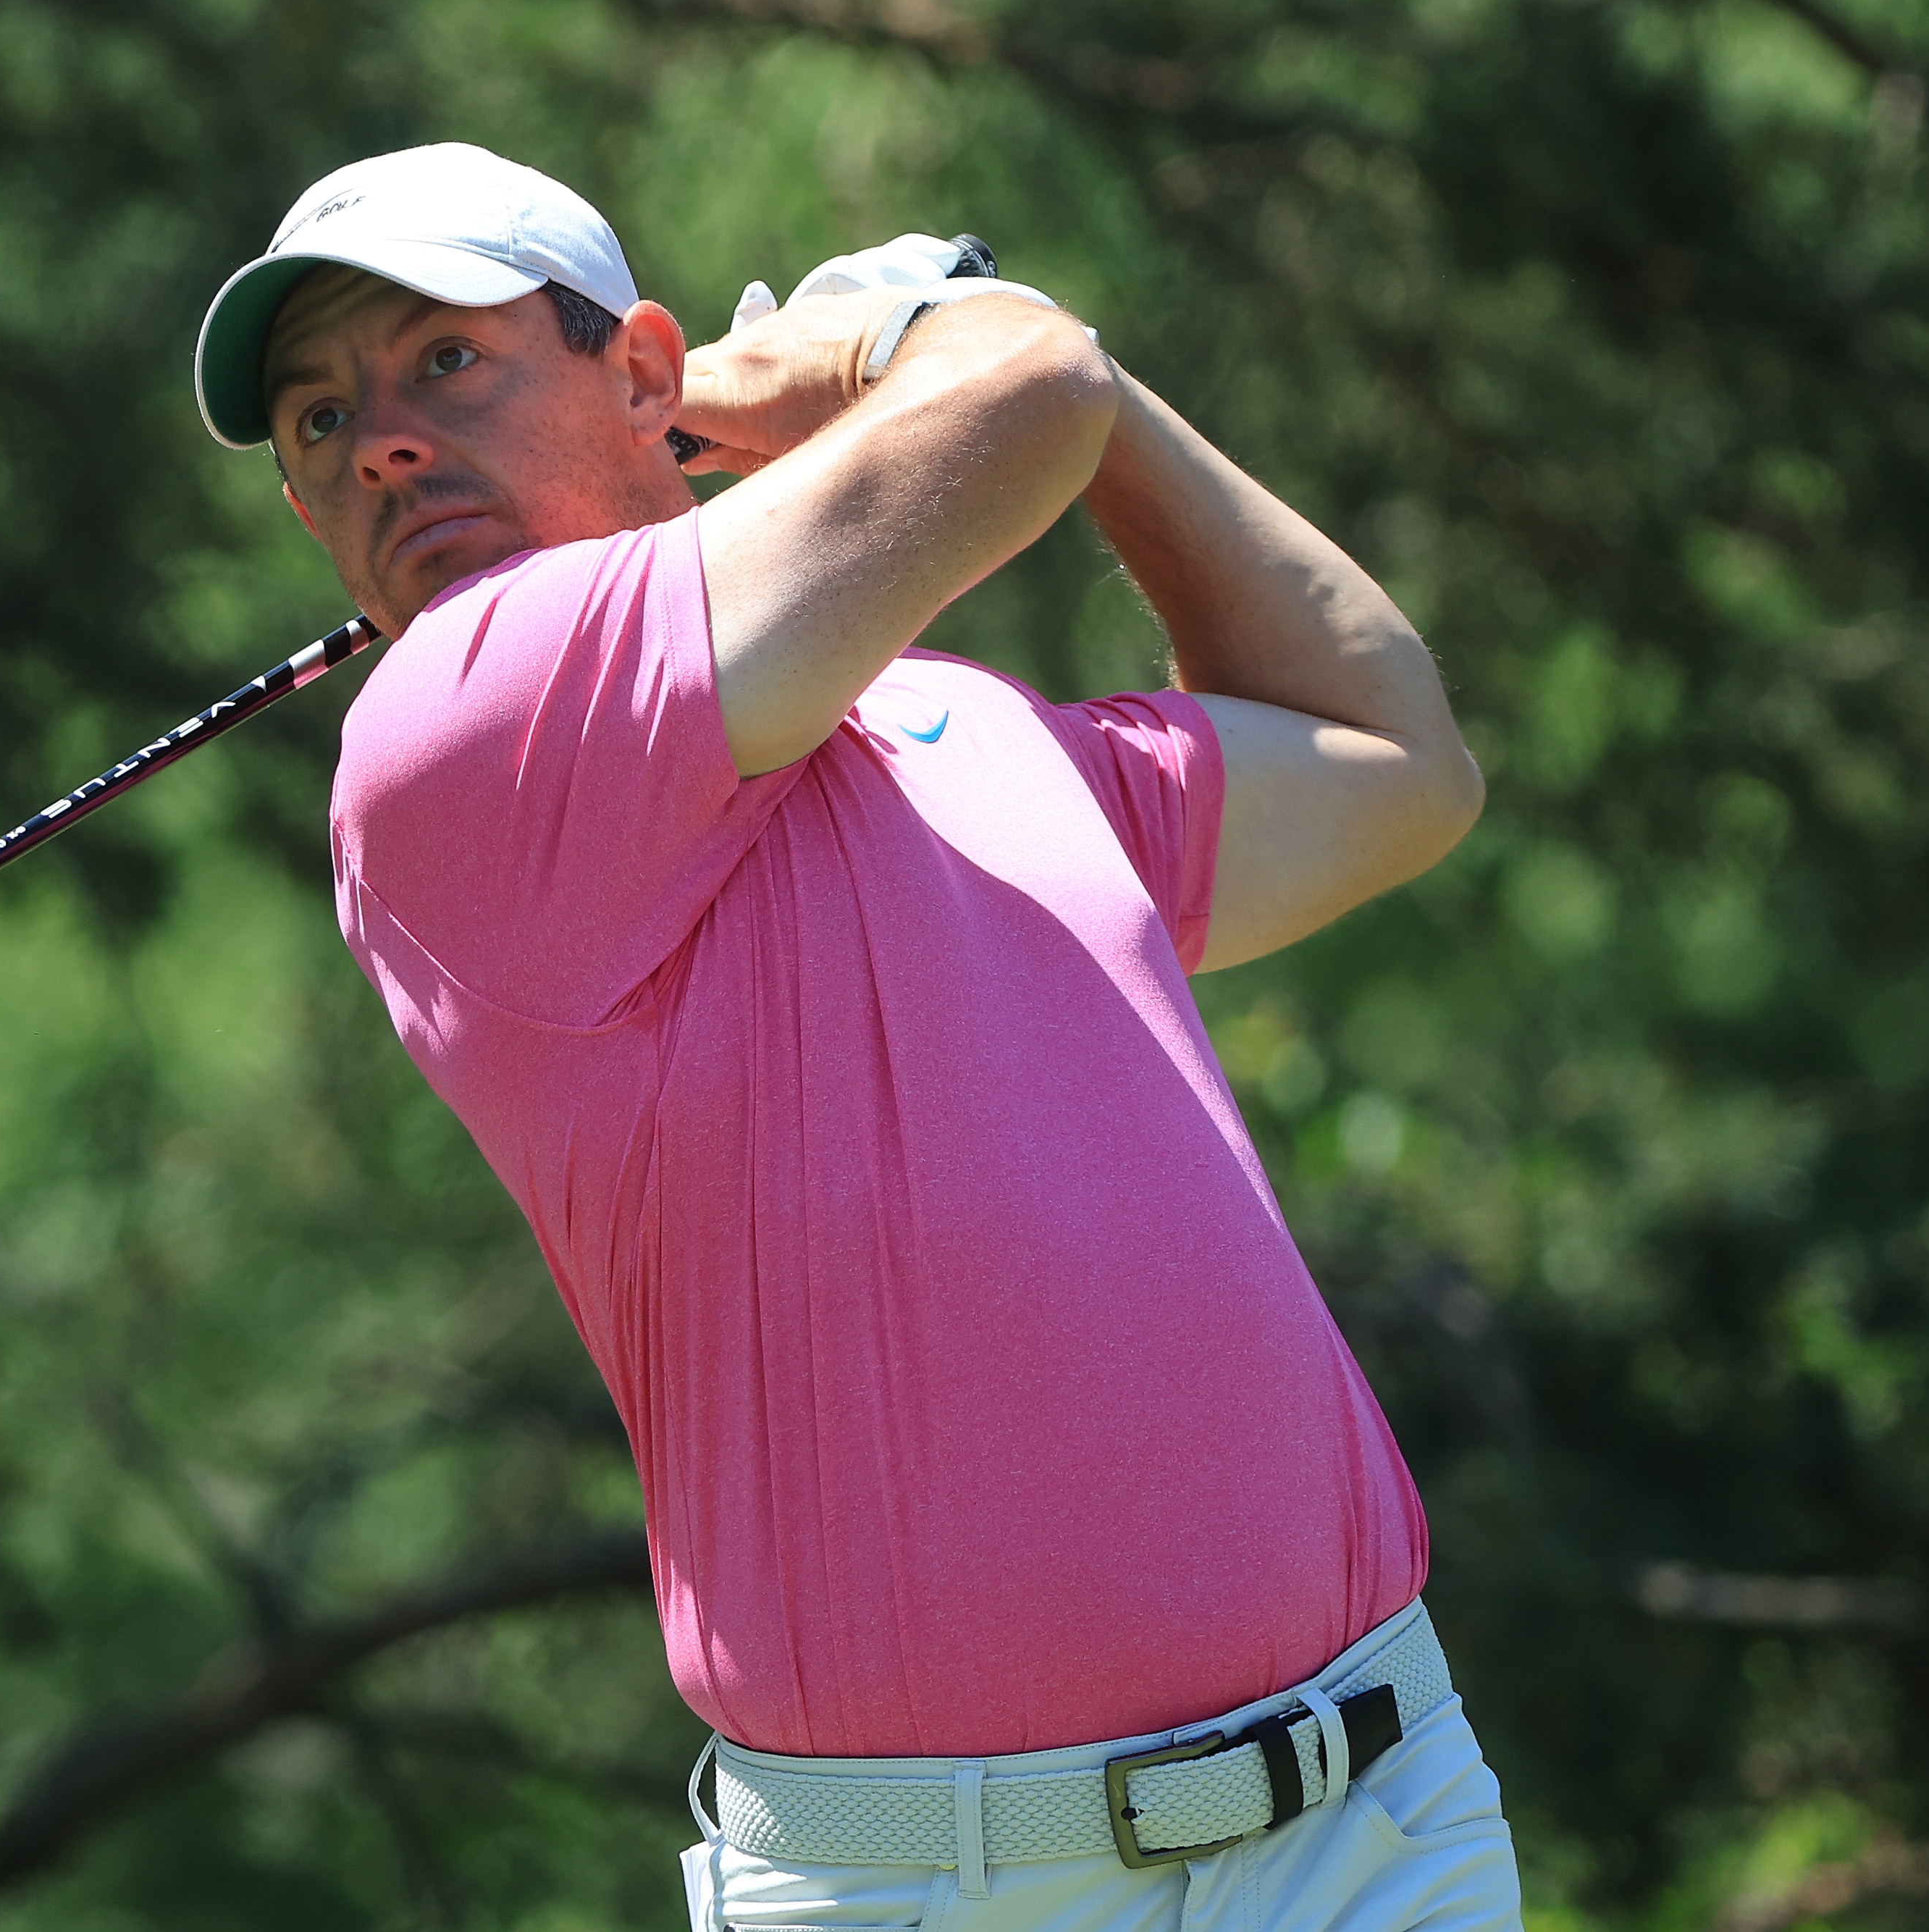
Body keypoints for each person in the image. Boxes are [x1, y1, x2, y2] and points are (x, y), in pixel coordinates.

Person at [191, 141, 1515, 1932]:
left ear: (635, 371)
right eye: (318, 419)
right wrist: (881, 354)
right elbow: (1014, 385)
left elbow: (1393, 760)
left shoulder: (961, 727)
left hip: (1369, 1814)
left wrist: (1098, 396)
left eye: (445, 362)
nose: (381, 441)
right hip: (946, 1893)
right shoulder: (449, 731)